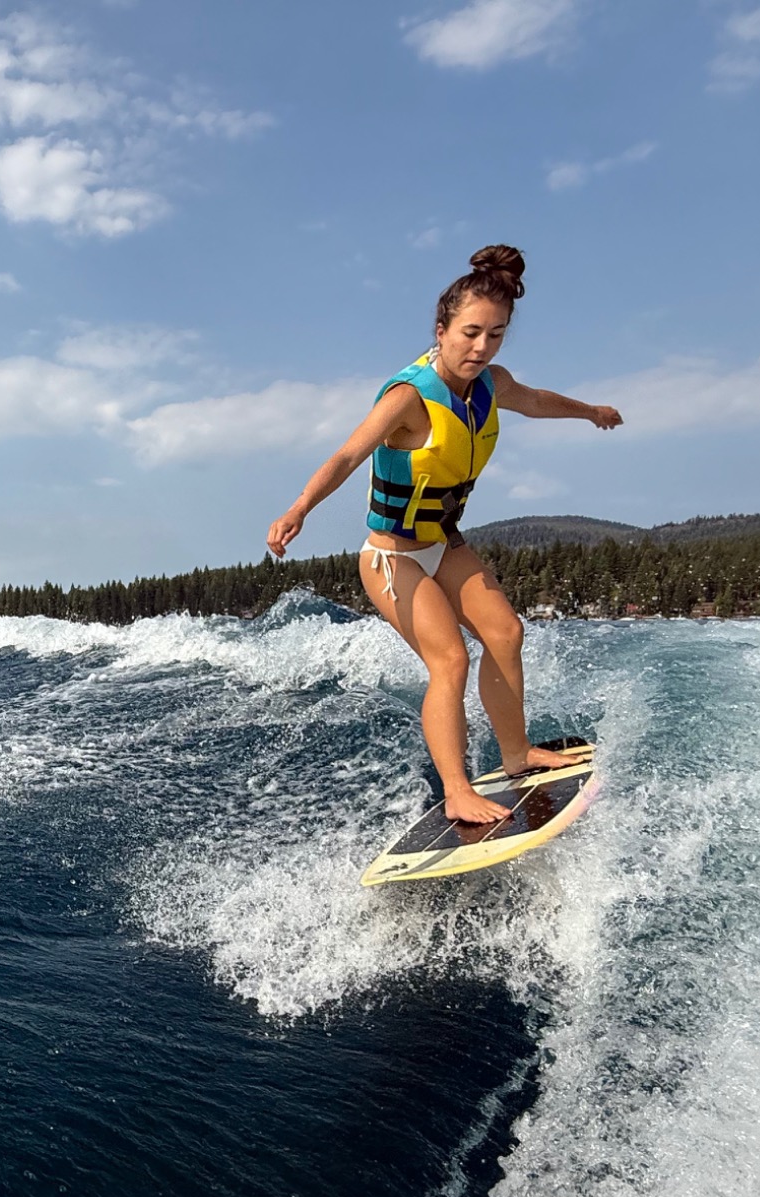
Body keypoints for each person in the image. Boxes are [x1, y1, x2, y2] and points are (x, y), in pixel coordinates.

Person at [266, 246, 622, 824]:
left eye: (496, 335)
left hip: (444, 543)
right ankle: (456, 790)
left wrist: (590, 411)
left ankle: (515, 755)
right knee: (450, 660)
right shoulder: (407, 397)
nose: (481, 348)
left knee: (505, 633)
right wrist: (299, 507)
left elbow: (535, 401)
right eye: (470, 333)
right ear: (442, 330)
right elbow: (349, 453)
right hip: (392, 558)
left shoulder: (491, 384)